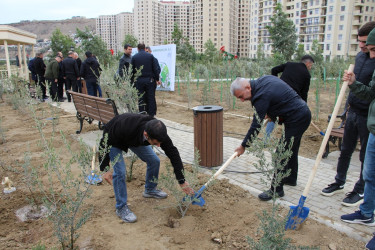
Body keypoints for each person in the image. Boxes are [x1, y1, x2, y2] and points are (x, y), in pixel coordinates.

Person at [98, 113, 194, 223]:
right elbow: (104, 142)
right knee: (120, 172)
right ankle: (121, 208)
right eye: (155, 143)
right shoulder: (126, 127)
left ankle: (150, 189)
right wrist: (105, 169)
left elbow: (173, 153)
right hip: (114, 139)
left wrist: (181, 180)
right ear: (146, 134)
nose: (158, 146)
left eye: (160, 143)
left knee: (154, 160)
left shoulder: (157, 132)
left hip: (133, 138)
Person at [230, 76, 311, 201]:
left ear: (247, 87)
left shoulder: (261, 95)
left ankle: (276, 190)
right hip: (300, 114)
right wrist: (272, 113)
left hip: (297, 118)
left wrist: (243, 146)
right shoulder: (263, 81)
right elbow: (277, 100)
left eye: (241, 96)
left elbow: (256, 125)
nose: (241, 100)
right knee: (291, 149)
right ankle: (290, 178)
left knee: (281, 153)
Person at [321, 21, 375, 207]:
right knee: (345, 150)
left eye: (364, 42)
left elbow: (370, 91)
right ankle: (339, 181)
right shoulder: (360, 57)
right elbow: (352, 87)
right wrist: (346, 110)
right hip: (352, 112)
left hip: (367, 115)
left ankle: (359, 189)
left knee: (364, 156)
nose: (361, 46)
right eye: (359, 42)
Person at [340, 27, 375, 249]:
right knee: (370, 173)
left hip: (367, 120)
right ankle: (366, 212)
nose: (370, 55)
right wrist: (353, 83)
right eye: (367, 49)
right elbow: (371, 93)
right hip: (374, 129)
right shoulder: (367, 60)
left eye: (373, 49)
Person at [266, 55, 315, 141]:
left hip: (278, 93)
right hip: (291, 100)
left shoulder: (289, 64)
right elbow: (304, 93)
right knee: (289, 119)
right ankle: (285, 141)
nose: (310, 68)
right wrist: (303, 109)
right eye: (311, 66)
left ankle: (266, 139)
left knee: (273, 116)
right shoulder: (307, 75)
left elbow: (274, 70)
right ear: (307, 63)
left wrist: (276, 83)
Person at [131, 43, 161, 117]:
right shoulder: (150, 56)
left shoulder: (134, 57)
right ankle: (151, 115)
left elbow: (131, 71)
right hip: (149, 81)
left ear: (138, 49)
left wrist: (132, 81)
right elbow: (155, 69)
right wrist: (157, 79)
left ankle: (142, 114)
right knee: (151, 98)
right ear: (145, 49)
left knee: (141, 98)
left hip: (139, 81)